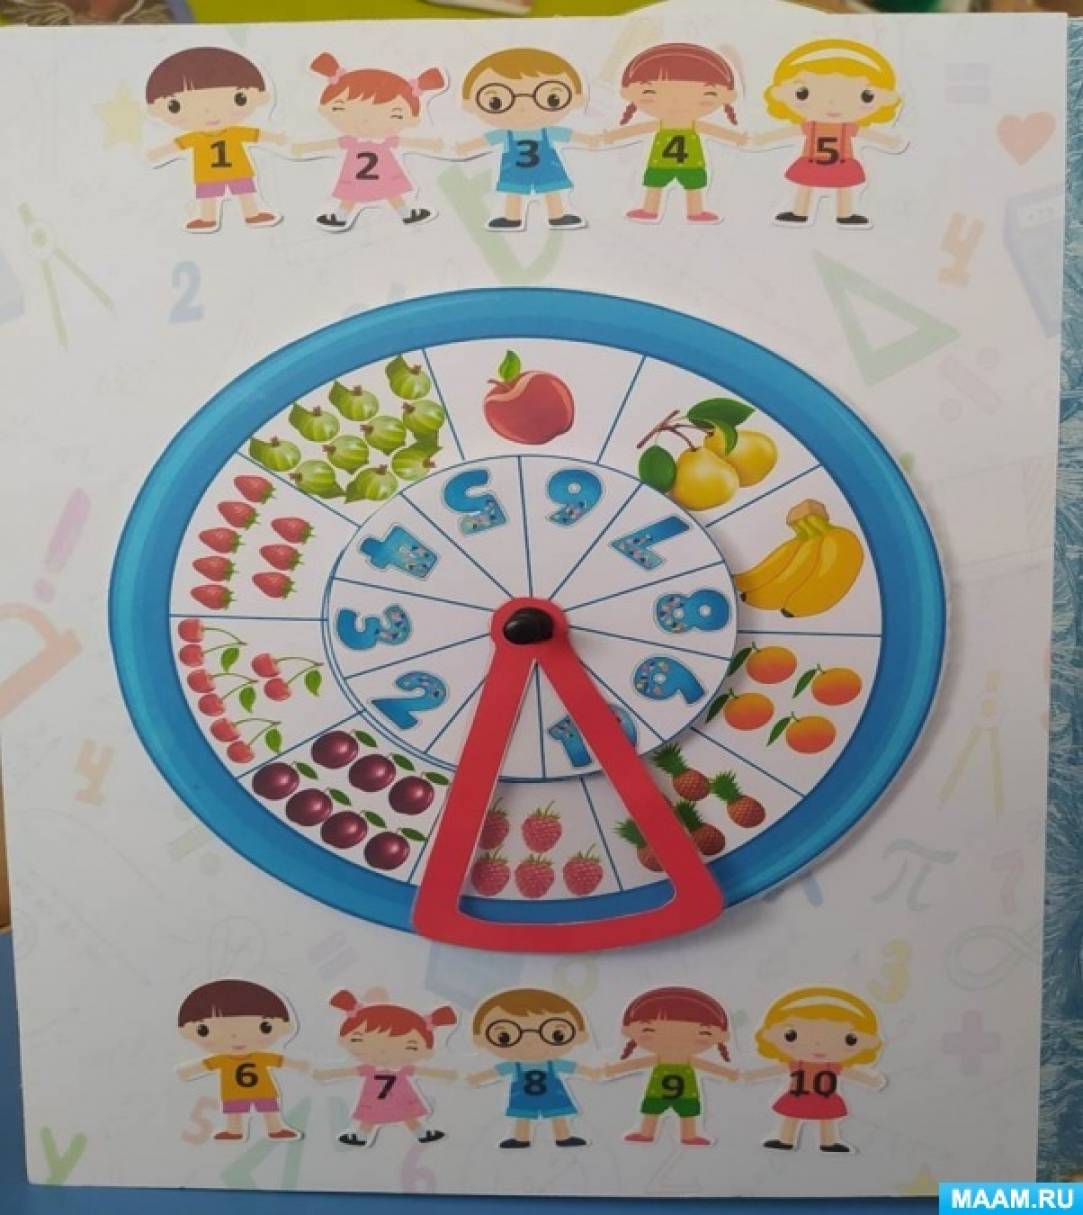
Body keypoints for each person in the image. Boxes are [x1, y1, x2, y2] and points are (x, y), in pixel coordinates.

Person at [752, 38, 905, 227]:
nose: (833, 104)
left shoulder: (846, 127)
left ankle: (845, 214)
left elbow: (867, 134)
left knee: (843, 187)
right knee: (806, 185)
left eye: (865, 96)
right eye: (803, 93)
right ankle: (800, 212)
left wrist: (888, 141)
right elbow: (789, 131)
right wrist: (764, 138)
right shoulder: (812, 126)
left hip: (841, 162)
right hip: (812, 161)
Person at [292, 55, 446, 232]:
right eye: (341, 108)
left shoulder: (384, 141)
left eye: (394, 114)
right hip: (361, 174)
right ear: (325, 108)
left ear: (411, 119)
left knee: (388, 194)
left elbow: (409, 141)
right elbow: (329, 143)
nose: (365, 121)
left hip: (381, 173)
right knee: (356, 195)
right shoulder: (353, 141)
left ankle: (404, 214)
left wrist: (431, 145)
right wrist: (305, 147)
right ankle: (342, 217)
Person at [454, 48, 600, 231]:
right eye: (496, 102)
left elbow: (569, 135)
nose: (523, 107)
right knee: (513, 192)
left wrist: (589, 139)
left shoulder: (548, 131)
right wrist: (465, 147)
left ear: (576, 99)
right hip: (515, 170)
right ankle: (512, 217)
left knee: (551, 190)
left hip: (547, 168)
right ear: (470, 105)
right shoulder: (505, 134)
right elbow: (485, 140)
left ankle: (557, 215)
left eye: (552, 98)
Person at [145, 47, 287, 232]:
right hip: (208, 174)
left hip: (238, 171)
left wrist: (275, 137)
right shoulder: (195, 137)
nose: (209, 112)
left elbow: (256, 135)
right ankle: (207, 218)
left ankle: (252, 213)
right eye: (175, 105)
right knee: (208, 197)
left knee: (245, 192)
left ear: (260, 97)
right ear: (156, 109)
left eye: (239, 98)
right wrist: (158, 153)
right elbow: (177, 145)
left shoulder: (235, 132)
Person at [602, 43, 747, 224]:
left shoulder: (693, 125)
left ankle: (696, 211)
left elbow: (714, 130)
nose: (677, 102)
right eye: (651, 92)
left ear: (727, 96)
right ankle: (650, 209)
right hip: (661, 162)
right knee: (654, 184)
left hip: (691, 162)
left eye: (705, 95)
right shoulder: (661, 124)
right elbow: (639, 129)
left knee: (693, 185)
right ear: (628, 93)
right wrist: (613, 136)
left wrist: (736, 138)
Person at [744, 986, 886, 1153]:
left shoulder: (832, 1066)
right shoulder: (797, 1064)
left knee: (827, 1119)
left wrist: (870, 1080)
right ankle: (785, 1139)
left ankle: (829, 1142)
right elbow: (776, 1070)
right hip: (798, 1096)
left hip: (824, 1098)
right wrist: (753, 1075)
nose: (818, 1045)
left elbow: (851, 1073)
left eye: (850, 1039)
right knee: (791, 1117)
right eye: (791, 1035)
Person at [313, 987, 457, 1148]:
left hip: (400, 1097)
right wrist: (326, 1075)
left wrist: (446, 1074)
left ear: (426, 1051)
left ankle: (422, 1133)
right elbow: (349, 1071)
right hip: (375, 1099)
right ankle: (361, 1136)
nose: (383, 1052)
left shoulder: (401, 1069)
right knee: (371, 1117)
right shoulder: (370, 1069)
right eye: (359, 1040)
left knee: (407, 1115)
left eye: (410, 1046)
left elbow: (423, 1071)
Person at [467, 987, 603, 1147]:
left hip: (553, 1096)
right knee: (523, 1117)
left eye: (557, 1035)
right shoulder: (514, 1065)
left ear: (580, 1036)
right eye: (504, 1037)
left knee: (557, 1115)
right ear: (480, 1040)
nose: (530, 1041)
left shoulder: (554, 1064)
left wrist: (592, 1073)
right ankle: (521, 1139)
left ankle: (563, 1137)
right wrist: (477, 1078)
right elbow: (495, 1072)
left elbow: (575, 1068)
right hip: (523, 1098)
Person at [603, 985, 738, 1146]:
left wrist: (728, 1073)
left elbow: (707, 1066)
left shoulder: (689, 1061)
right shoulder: (657, 1059)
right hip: (657, 1091)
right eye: (650, 1030)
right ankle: (646, 1132)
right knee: (651, 1109)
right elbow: (637, 1063)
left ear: (722, 1036)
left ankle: (689, 1135)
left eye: (703, 1032)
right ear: (628, 1031)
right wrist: (613, 1069)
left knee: (688, 1111)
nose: (676, 1040)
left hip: (686, 1093)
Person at [175, 978, 308, 1141]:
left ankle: (275, 1129)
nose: (235, 1037)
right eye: (204, 1030)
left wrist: (299, 1065)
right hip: (234, 1093)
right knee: (235, 1112)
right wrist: (187, 1072)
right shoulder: (222, 1060)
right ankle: (234, 1131)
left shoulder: (260, 1057)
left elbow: (280, 1061)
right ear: (187, 1031)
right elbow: (205, 1065)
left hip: (263, 1092)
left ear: (284, 1027)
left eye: (265, 1027)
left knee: (269, 1111)